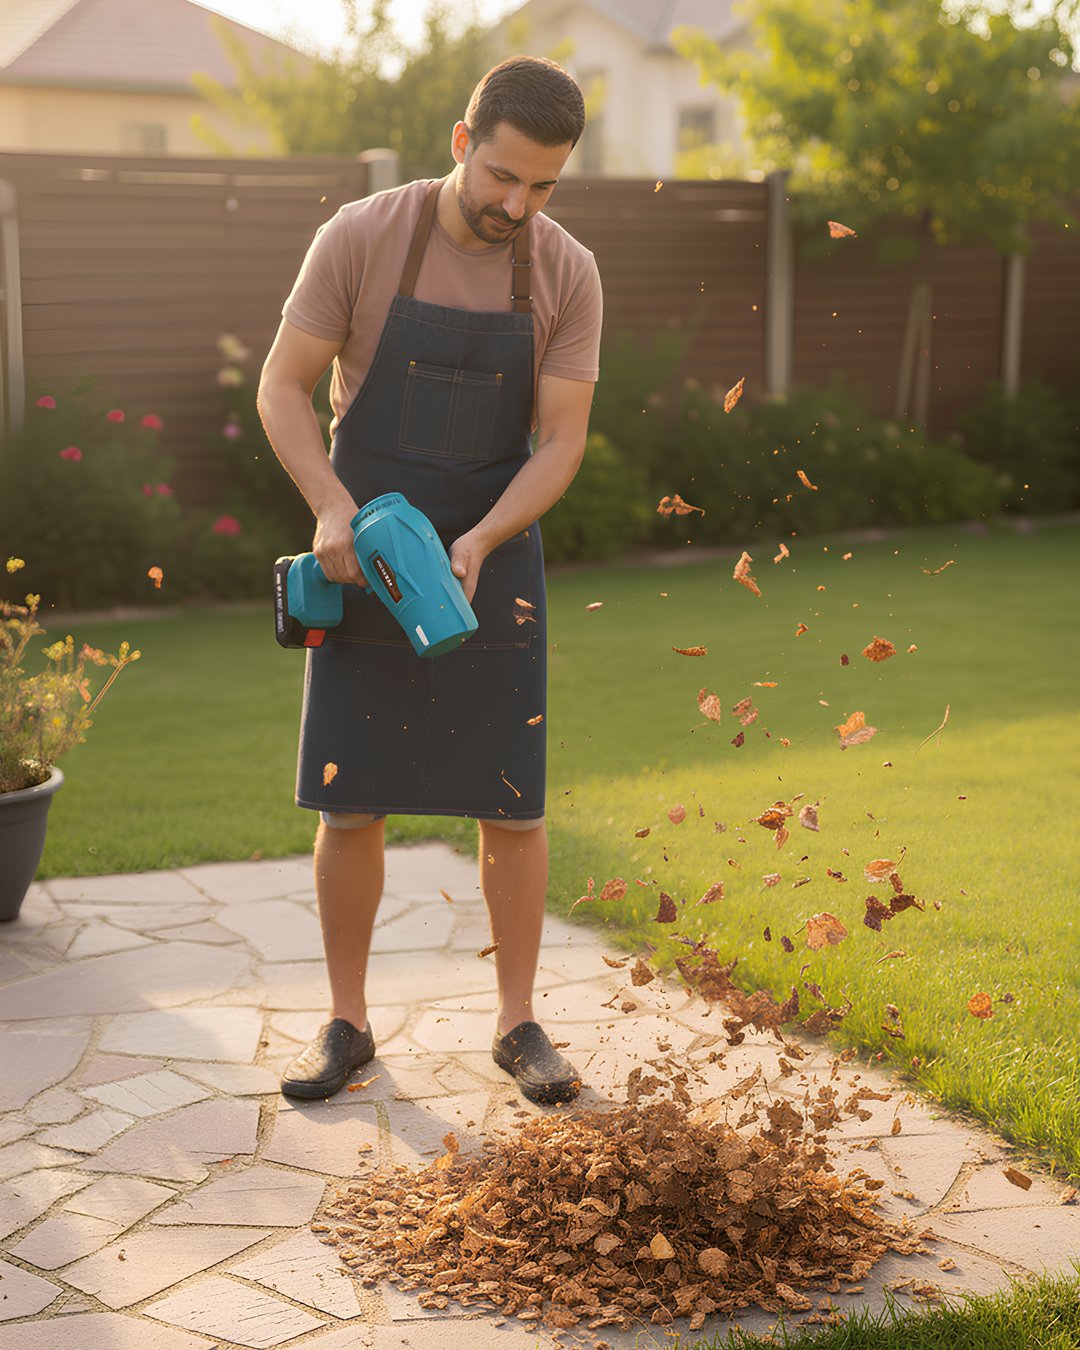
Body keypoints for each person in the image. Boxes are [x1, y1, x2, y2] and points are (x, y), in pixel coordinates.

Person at [257, 56, 602, 1107]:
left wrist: (487, 538)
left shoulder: (567, 271)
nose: (518, 205)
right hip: (364, 551)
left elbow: (561, 440)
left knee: (513, 805)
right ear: (462, 141)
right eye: (502, 175)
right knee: (350, 799)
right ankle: (347, 1024)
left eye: (543, 185)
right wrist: (330, 507)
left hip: (495, 553)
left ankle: (518, 1024)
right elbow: (282, 387)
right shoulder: (363, 236)